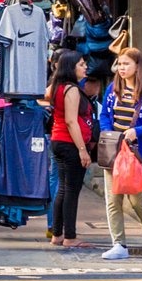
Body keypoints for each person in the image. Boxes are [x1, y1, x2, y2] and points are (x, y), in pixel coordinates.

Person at [97, 44, 142, 259]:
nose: (121, 68)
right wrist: (109, 132)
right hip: (113, 152)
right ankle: (119, 245)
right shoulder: (111, 89)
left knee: (137, 200)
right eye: (119, 64)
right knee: (113, 199)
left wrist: (138, 131)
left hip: (138, 153)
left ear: (137, 66)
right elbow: (105, 115)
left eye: (126, 63)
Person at [45, 49, 94, 247]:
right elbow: (71, 121)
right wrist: (82, 150)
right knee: (71, 191)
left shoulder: (58, 86)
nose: (85, 68)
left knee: (63, 190)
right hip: (69, 142)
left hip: (58, 140)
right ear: (71, 68)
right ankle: (70, 237)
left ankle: (57, 234)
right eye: (81, 64)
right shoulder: (71, 89)